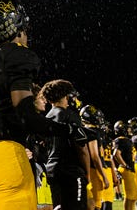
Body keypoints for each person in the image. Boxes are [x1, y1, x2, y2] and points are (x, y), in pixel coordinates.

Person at [0, 0, 87, 210]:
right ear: (15, 24)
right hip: (8, 157)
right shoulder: (17, 55)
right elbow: (26, 115)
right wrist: (68, 130)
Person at [39, 79, 89, 210]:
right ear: (64, 95)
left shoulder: (47, 117)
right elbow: (81, 148)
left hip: (52, 170)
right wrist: (87, 172)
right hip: (70, 170)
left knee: (59, 207)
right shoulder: (70, 115)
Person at [79, 105, 112, 210]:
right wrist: (104, 176)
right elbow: (94, 156)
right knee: (95, 204)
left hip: (85, 169)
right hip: (94, 170)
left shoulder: (82, 130)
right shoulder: (92, 132)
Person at [113, 120, 137, 210]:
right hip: (127, 170)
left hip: (130, 169)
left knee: (132, 196)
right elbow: (116, 154)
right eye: (127, 128)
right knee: (130, 196)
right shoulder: (120, 140)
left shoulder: (126, 140)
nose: (129, 129)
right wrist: (125, 165)